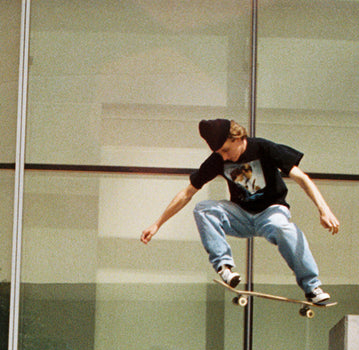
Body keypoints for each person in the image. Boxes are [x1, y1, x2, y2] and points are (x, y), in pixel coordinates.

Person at [140, 118, 340, 305]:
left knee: (284, 229)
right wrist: (158, 223)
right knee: (204, 209)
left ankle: (312, 287)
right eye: (220, 153)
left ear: (238, 138)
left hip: (271, 213)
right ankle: (224, 268)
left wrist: (325, 210)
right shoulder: (217, 160)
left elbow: (302, 178)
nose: (225, 157)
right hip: (241, 215)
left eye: (226, 150)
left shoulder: (264, 148)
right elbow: (187, 193)